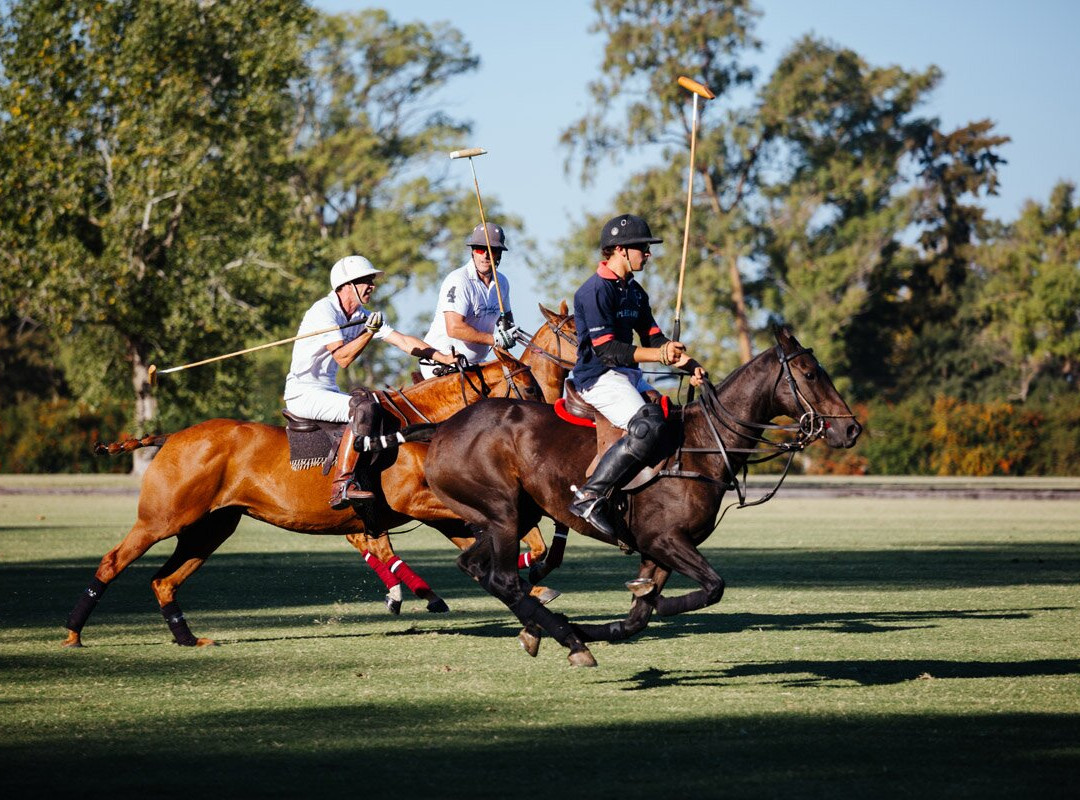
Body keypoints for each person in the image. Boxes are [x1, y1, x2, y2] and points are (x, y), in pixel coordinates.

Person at [567, 213, 706, 538]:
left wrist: (689, 364)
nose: (648, 253)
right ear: (619, 250)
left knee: (674, 420)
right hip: (599, 377)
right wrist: (659, 355)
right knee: (648, 427)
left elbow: (654, 338)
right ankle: (589, 496)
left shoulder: (635, 292)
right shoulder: (594, 291)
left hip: (628, 374)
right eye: (642, 247)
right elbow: (607, 350)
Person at [285, 255, 456, 509]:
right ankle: (342, 484)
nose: (372, 286)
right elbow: (343, 358)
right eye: (366, 280)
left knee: (377, 403)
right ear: (346, 285)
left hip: (328, 390)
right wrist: (369, 332)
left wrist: (443, 357)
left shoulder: (362, 315)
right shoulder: (324, 311)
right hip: (303, 393)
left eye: (371, 280)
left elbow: (403, 341)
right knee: (363, 408)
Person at [419, 222, 518, 379]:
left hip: (476, 364)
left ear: (499, 254)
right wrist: (495, 340)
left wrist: (509, 332)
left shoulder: (502, 282)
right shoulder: (459, 280)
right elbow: (454, 328)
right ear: (473, 252)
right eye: (480, 249)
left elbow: (506, 318)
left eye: (492, 250)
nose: (485, 255)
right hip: (443, 361)